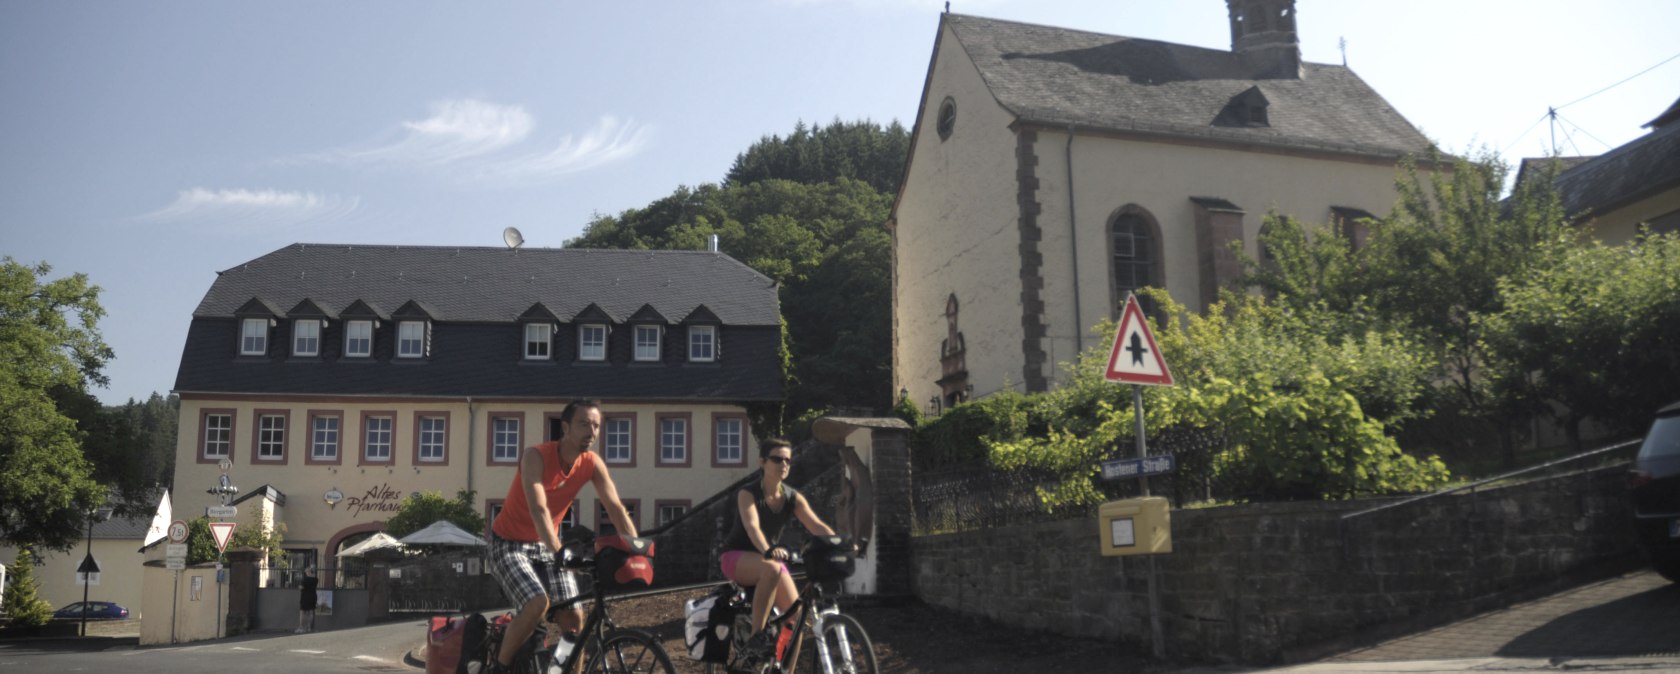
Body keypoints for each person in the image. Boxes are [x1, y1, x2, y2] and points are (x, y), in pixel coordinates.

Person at [486, 399, 639, 674]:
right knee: (537, 603)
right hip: (507, 543)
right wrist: (559, 551)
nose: (591, 431)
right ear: (565, 427)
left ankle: (561, 671)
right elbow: (539, 509)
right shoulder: (535, 456)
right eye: (584, 424)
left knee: (574, 618)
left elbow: (615, 507)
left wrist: (636, 547)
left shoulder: (591, 463)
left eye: (596, 426)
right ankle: (499, 668)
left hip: (543, 544)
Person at [718, 438, 838, 661]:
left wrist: (840, 544)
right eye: (777, 459)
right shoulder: (748, 493)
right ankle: (756, 637)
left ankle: (784, 669)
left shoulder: (792, 497)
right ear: (762, 462)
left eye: (788, 461)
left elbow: (816, 525)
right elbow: (752, 527)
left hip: (768, 560)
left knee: (795, 619)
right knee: (772, 569)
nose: (784, 464)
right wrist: (769, 550)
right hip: (736, 557)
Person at [295, 566, 318, 633]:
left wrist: (299, 586)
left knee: (302, 612)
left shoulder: (305, 579)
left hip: (305, 597)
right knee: (311, 612)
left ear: (309, 572)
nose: (305, 573)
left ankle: (301, 628)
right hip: (313, 596)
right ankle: (309, 628)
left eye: (306, 572)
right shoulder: (316, 579)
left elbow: (302, 587)